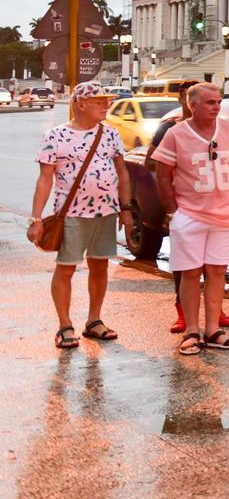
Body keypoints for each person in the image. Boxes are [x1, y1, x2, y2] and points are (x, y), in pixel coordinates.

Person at [30, 81, 133, 350]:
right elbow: (45, 179)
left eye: (106, 101)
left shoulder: (110, 134)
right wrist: (36, 218)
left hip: (106, 213)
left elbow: (122, 173)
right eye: (99, 102)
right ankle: (65, 326)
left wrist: (126, 208)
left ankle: (94, 321)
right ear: (81, 104)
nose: (106, 106)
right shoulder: (56, 136)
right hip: (72, 214)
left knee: (100, 265)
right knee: (66, 268)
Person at [153, 84, 229, 355]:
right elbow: (162, 175)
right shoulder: (176, 134)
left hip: (226, 215)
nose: (216, 107)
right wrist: (173, 212)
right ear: (193, 105)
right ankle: (191, 331)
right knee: (191, 272)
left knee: (217, 271)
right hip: (190, 215)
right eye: (209, 102)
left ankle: (212, 330)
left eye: (219, 102)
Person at [145, 81, 229, 334]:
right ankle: (183, 312)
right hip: (181, 203)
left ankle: (215, 311)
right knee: (186, 267)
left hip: (215, 207)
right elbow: (152, 164)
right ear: (184, 101)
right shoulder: (170, 128)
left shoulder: (218, 128)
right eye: (185, 97)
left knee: (215, 264)